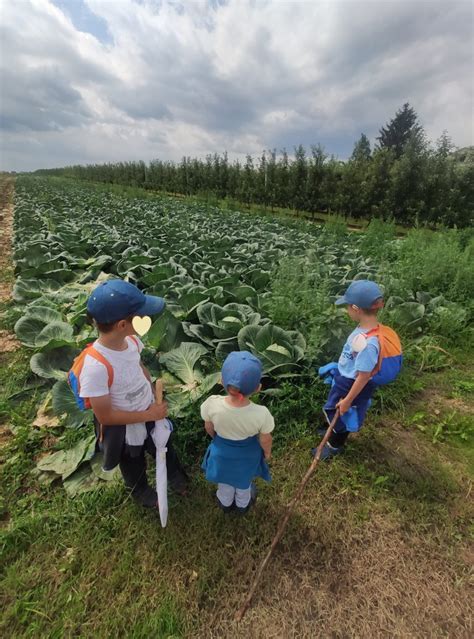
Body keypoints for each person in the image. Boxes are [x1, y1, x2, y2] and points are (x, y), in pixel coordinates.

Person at [77, 279, 188, 507]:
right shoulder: (95, 367)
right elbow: (106, 417)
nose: (146, 320)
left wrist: (150, 397)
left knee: (165, 445)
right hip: (125, 428)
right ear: (121, 325)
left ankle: (175, 476)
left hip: (148, 409)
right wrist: (149, 415)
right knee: (132, 461)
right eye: (141, 316)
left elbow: (139, 367)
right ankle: (141, 492)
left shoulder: (132, 341)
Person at [314, 280, 402, 460]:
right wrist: (339, 369)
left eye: (347, 306)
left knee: (344, 413)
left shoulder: (369, 344)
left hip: (352, 385)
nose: (347, 310)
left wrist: (347, 400)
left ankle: (334, 445)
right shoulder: (367, 329)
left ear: (356, 308)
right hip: (346, 378)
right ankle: (331, 424)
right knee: (333, 408)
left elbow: (363, 376)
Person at [200, 351, 274, 515]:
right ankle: (242, 505)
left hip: (221, 454)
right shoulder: (261, 413)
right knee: (243, 482)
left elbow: (208, 427)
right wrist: (267, 453)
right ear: (258, 388)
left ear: (221, 380)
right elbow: (265, 439)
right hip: (247, 456)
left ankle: (225, 503)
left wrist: (216, 439)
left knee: (224, 481)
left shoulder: (211, 404)